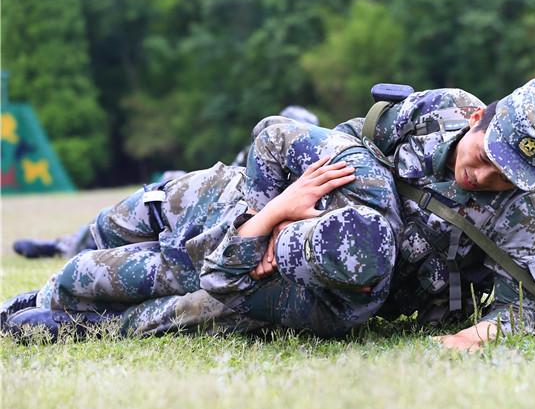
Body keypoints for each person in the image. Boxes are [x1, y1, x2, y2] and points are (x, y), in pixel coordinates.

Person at [2, 122, 402, 339]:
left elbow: (221, 282)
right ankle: (38, 294)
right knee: (81, 267)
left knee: (178, 313)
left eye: (289, 255)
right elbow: (271, 132)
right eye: (293, 238)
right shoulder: (357, 179)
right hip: (204, 213)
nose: (277, 248)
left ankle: (79, 328)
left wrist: (267, 223)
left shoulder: (338, 310)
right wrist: (271, 211)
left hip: (234, 282)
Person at [333, 77, 535, 351]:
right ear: (477, 118)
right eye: (485, 156)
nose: (481, 177)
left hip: (376, 298)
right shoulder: (440, 109)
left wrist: (466, 339)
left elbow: (518, 311)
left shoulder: (523, 209)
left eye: (505, 177)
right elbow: (345, 143)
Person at [10, 106, 319, 260]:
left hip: (223, 240)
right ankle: (64, 245)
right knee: (149, 200)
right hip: (210, 208)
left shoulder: (312, 174)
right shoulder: (254, 154)